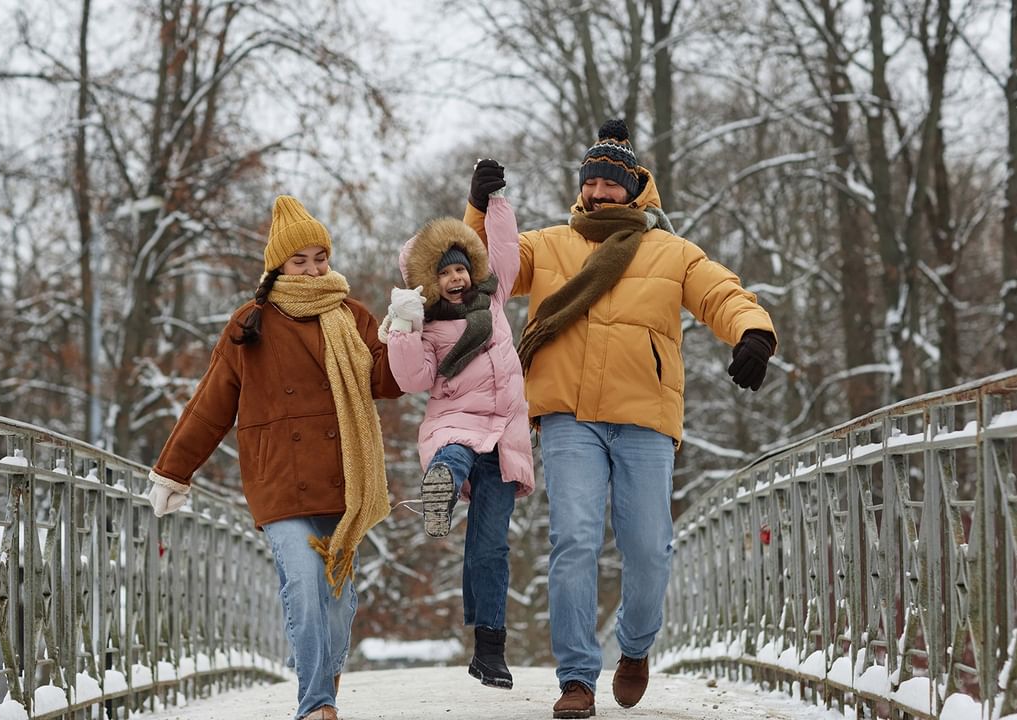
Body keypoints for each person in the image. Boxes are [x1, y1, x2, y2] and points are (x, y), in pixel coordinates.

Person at [463, 119, 778, 719]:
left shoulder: (672, 252)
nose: (601, 192)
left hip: (644, 416)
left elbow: (722, 293)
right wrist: (479, 207)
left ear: (635, 189)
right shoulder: (550, 244)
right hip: (569, 417)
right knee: (574, 541)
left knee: (648, 548)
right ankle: (577, 677)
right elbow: (486, 268)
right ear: (581, 188)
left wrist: (754, 333)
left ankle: (634, 647)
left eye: (612, 183)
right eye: (592, 183)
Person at [144, 195, 402, 720]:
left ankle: (324, 670)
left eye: (319, 258)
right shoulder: (250, 323)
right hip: (278, 479)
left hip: (342, 476)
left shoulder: (351, 315)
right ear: (278, 265)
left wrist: (407, 335)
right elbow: (211, 405)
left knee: (336, 596)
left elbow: (386, 381)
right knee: (303, 586)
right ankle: (316, 705)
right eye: (299, 261)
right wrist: (173, 471)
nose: (311, 270)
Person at [379, 183, 534, 690]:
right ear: (429, 281)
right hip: (456, 423)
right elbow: (412, 380)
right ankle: (440, 487)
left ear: (472, 269)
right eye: (444, 272)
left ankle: (489, 652)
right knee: (452, 453)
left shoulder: (493, 302)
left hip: (506, 436)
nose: (455, 278)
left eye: (461, 268)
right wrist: (403, 326)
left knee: (490, 547)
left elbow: (506, 250)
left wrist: (495, 201)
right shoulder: (426, 328)